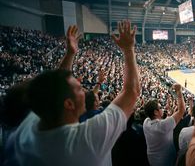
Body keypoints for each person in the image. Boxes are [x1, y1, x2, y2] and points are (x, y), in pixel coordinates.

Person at [4, 20, 141, 166]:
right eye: (80, 89)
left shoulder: (29, 126)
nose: (85, 91)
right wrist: (128, 49)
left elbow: (55, 86)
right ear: (69, 104)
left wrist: (70, 54)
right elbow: (131, 91)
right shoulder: (86, 139)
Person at [143, 83, 185, 166]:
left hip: (152, 159)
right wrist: (179, 91)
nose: (162, 108)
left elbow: (162, 121)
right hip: (166, 161)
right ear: (155, 112)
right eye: (160, 107)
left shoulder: (146, 122)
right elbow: (181, 111)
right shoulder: (163, 126)